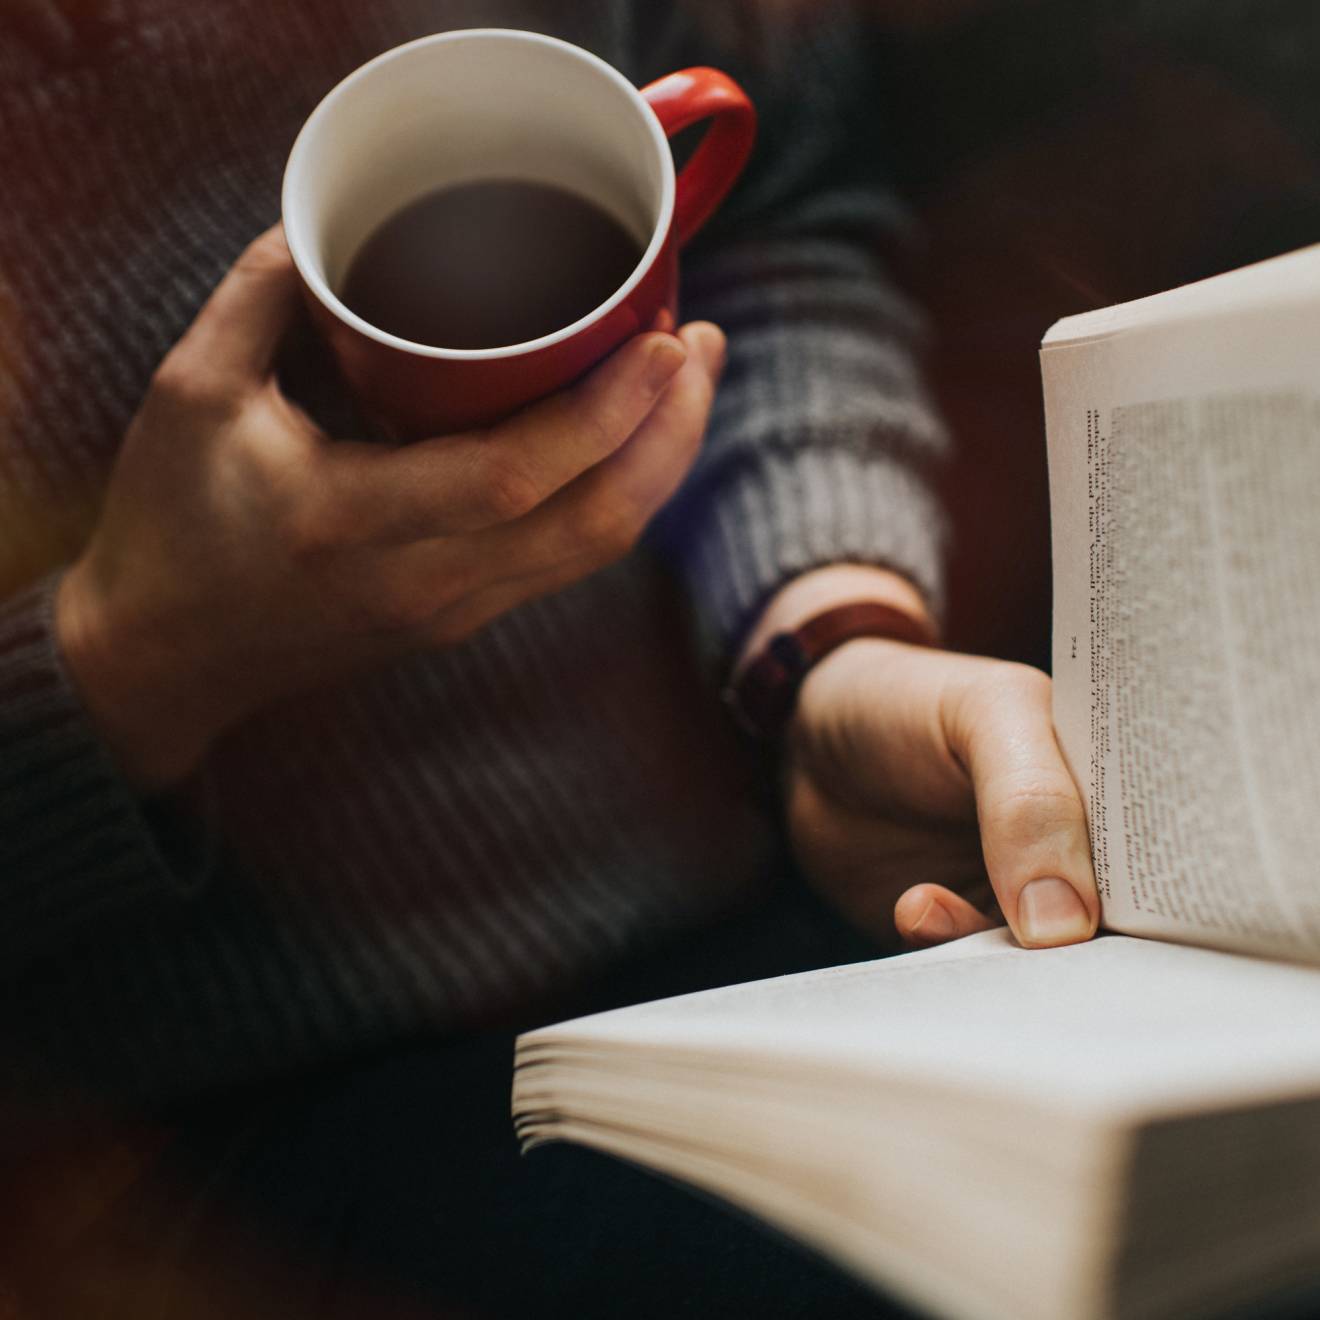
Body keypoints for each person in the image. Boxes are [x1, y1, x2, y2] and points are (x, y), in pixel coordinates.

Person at [0, 0, 1098, 1315]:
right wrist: (131, 654)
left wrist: (826, 648)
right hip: (196, 1131)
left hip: (761, 897)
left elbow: (776, 217)